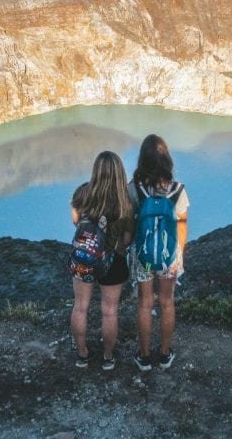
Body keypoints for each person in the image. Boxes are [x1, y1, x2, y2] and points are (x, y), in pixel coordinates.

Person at [129, 134, 189, 371]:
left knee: (144, 304)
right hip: (169, 256)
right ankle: (164, 355)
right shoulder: (178, 190)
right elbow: (182, 224)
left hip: (142, 256)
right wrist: (178, 255)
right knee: (166, 303)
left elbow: (129, 222)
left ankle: (144, 357)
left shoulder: (134, 189)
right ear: (167, 160)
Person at [69, 151, 134, 371]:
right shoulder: (125, 202)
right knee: (109, 311)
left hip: (84, 258)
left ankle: (82, 354)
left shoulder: (82, 192)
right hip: (113, 261)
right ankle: (107, 357)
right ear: (119, 172)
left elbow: (75, 221)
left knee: (80, 307)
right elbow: (127, 239)